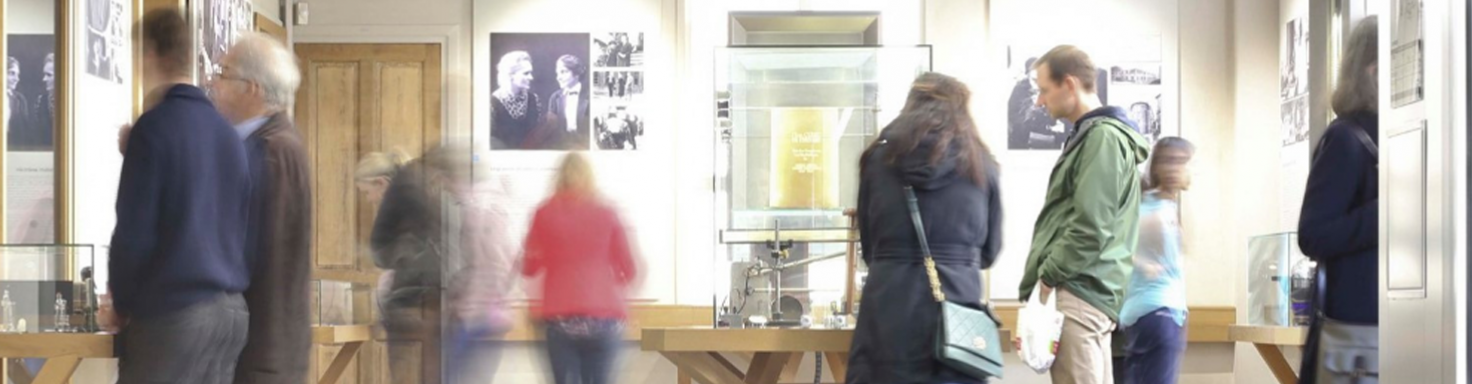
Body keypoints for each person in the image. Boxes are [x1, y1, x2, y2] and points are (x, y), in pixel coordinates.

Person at [108, 8, 251, 384]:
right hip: (230, 314)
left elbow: (134, 232)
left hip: (175, 313)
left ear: (150, 54)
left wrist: (120, 301)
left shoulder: (153, 129)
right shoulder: (228, 135)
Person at [845, 72, 1003, 384]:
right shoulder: (980, 164)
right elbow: (990, 250)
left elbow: (869, 245)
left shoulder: (878, 160)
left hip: (888, 304)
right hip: (956, 305)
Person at [1018, 45, 1150, 384]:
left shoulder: (1102, 138)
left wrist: (1049, 276)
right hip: (1086, 292)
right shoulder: (1093, 136)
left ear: (1070, 84)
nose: (1039, 101)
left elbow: (1091, 226)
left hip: (1079, 292)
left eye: (1045, 90)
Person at [208, 32, 313, 384]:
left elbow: (258, 255)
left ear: (251, 88)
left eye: (223, 72)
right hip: (258, 348)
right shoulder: (268, 144)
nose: (213, 82)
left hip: (260, 351)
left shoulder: (272, 151)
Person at [1297, 16, 1379, 384]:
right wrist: (1387, 215)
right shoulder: (1346, 138)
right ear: (1374, 70)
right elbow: (1313, 234)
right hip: (1355, 334)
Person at [522, 152, 637, 384]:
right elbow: (629, 268)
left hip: (561, 318)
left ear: (559, 177)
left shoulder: (544, 213)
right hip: (605, 317)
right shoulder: (607, 212)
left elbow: (529, 266)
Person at [434, 145, 515, 384]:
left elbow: (490, 261)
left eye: (440, 178)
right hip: (484, 314)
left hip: (475, 317)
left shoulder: (477, 210)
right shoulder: (490, 205)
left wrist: (467, 299)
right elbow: (512, 261)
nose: (440, 186)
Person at [1120, 137, 1195, 384]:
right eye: (1169, 161)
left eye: (1181, 162)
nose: (1175, 169)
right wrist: (1145, 265)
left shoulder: (1156, 204)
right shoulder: (1157, 208)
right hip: (1160, 312)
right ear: (1156, 166)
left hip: (1140, 314)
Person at [372, 151, 446, 384]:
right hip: (436, 301)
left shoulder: (403, 190)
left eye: (367, 192)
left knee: (405, 372)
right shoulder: (433, 192)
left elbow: (379, 249)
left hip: (408, 298)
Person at [537, 54, 590, 150]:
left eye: (563, 72)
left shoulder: (589, 96)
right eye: (557, 73)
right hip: (562, 147)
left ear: (577, 73)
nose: (558, 77)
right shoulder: (555, 97)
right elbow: (551, 130)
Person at [491, 51, 542, 149]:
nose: (531, 77)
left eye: (530, 73)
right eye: (526, 73)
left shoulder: (534, 99)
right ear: (511, 75)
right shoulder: (492, 103)